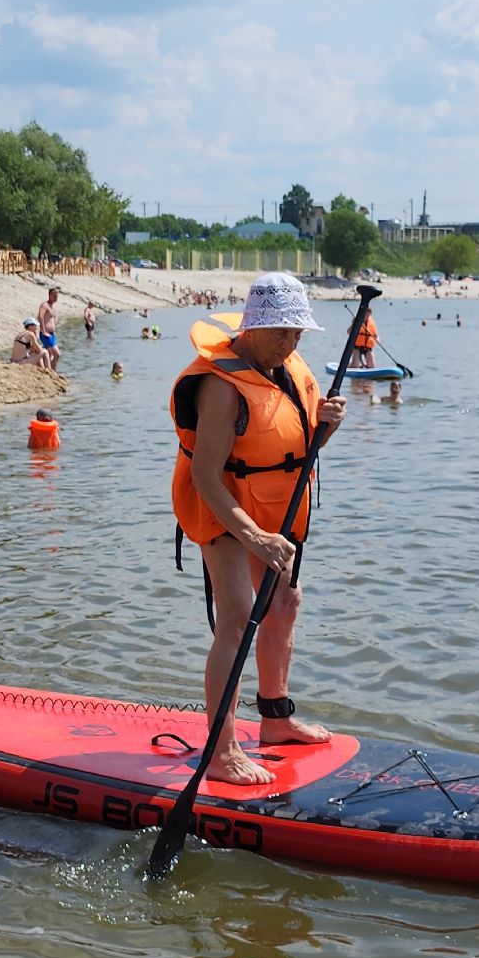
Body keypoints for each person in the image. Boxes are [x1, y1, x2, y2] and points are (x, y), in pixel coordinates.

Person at [169, 271, 346, 785]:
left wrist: (325, 428)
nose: (290, 344)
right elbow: (206, 475)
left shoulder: (287, 367)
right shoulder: (221, 386)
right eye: (281, 334)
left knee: (286, 604)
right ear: (252, 327)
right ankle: (222, 753)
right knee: (239, 614)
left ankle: (276, 719)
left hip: (271, 504)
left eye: (297, 334)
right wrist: (254, 537)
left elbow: (291, 450)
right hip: (218, 504)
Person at [37, 286, 61, 369]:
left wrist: (54, 330)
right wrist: (43, 331)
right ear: (50, 295)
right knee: (57, 354)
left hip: (52, 334)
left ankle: (48, 369)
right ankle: (52, 370)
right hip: (46, 334)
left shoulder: (53, 307)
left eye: (57, 296)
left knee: (50, 354)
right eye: (54, 296)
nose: (56, 298)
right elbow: (40, 317)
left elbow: (52, 319)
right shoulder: (45, 305)